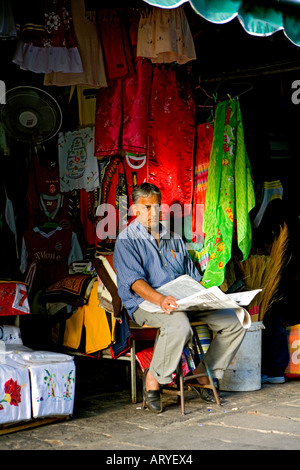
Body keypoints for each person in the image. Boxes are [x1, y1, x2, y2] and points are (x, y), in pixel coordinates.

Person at [113, 183, 246, 413]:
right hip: (146, 303)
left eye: (156, 206)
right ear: (135, 209)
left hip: (183, 299)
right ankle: (153, 378)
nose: (153, 212)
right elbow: (135, 283)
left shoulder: (173, 238)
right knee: (179, 325)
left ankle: (202, 373)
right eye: (147, 207)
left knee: (235, 321)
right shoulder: (126, 241)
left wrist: (211, 295)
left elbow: (191, 276)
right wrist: (161, 299)